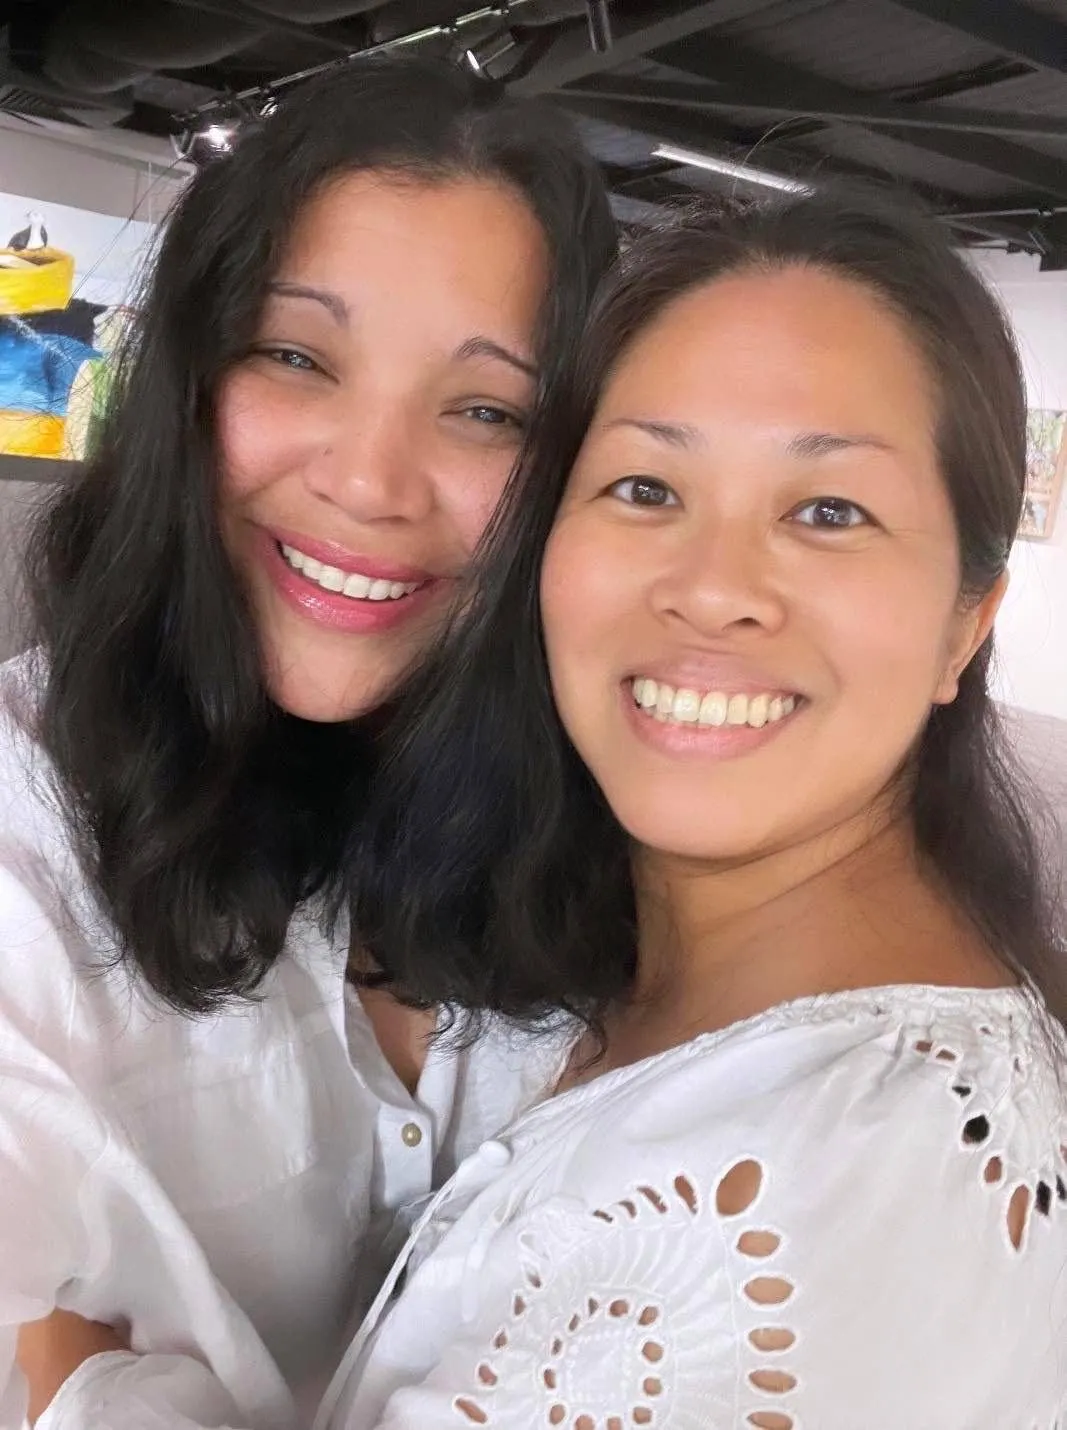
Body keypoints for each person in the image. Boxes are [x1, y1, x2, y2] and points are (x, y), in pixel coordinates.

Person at [321, 189, 1067, 1428]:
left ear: (964, 625)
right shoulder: (643, 982)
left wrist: (76, 1365)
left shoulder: (840, 1195)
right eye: (644, 487)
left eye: (827, 510)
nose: (712, 589)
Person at [0, 54, 616, 1430]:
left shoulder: (612, 802)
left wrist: (95, 1374)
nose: (368, 482)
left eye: (486, 410)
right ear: (188, 376)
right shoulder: (24, 825)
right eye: (296, 356)